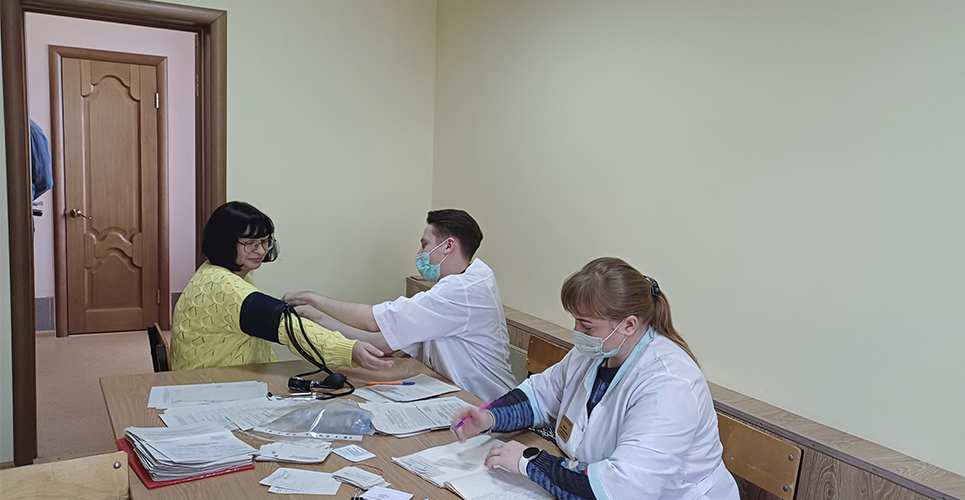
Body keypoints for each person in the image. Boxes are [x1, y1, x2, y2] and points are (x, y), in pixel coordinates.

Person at [450, 257, 739, 500]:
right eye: (576, 321)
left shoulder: (669, 384)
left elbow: (622, 488)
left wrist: (530, 462)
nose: (577, 332)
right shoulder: (597, 351)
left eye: (587, 326)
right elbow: (540, 395)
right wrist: (490, 417)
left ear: (628, 325)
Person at [284, 209, 516, 401]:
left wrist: (311, 298)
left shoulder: (462, 291)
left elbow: (372, 321)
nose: (420, 253)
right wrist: (316, 321)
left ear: (448, 246)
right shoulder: (456, 287)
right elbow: (382, 343)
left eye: (425, 245)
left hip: (487, 406)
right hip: (460, 398)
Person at [171, 201, 393, 372]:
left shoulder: (215, 273)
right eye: (250, 243)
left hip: (222, 378)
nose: (261, 250)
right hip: (210, 386)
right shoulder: (223, 286)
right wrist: (349, 350)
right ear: (224, 243)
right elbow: (286, 326)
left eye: (265, 241)